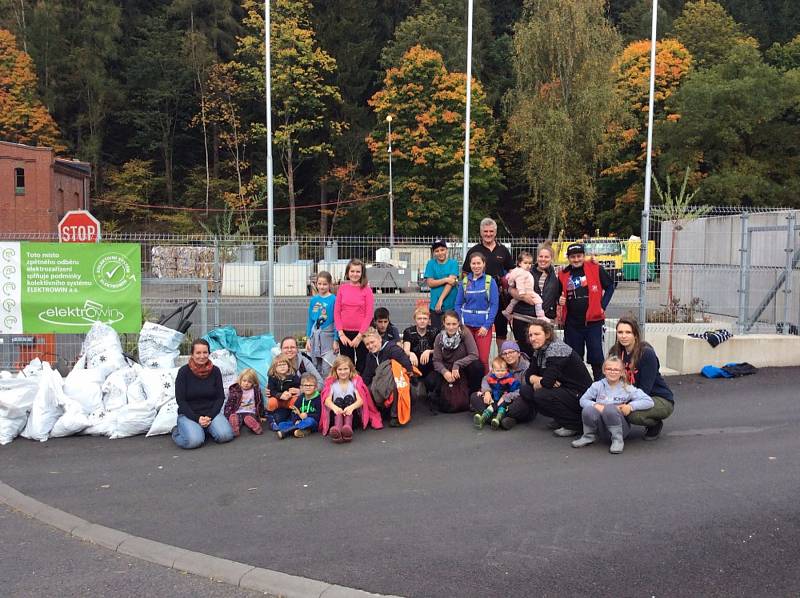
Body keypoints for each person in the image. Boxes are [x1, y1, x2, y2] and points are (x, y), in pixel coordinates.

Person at [506, 320, 593, 434]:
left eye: (537, 334)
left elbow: (547, 382)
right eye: (531, 335)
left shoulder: (556, 348)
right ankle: (561, 418)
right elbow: (528, 376)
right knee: (526, 390)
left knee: (541, 394)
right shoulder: (539, 350)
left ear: (547, 334)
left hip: (580, 394)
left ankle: (574, 425)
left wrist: (543, 381)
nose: (532, 338)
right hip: (564, 390)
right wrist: (538, 379)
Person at [608, 316, 675, 440]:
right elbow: (606, 378)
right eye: (620, 332)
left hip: (657, 398)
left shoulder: (646, 354)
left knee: (632, 414)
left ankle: (655, 424)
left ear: (636, 335)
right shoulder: (615, 352)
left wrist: (623, 404)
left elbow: (645, 390)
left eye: (628, 332)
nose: (623, 336)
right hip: (631, 395)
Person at [572, 356, 654, 454]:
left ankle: (617, 440)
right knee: (588, 409)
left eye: (616, 369)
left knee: (610, 409)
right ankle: (588, 436)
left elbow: (649, 401)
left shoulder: (627, 387)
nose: (612, 372)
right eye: (609, 369)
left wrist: (630, 406)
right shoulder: (597, 385)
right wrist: (596, 405)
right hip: (601, 429)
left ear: (622, 372)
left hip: (620, 428)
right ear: (604, 370)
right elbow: (583, 400)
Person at [558, 242, 615, 381]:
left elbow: (610, 286)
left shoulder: (595, 268)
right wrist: (559, 301)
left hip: (593, 322)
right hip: (572, 324)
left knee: (596, 357)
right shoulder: (563, 274)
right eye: (573, 257)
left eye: (579, 256)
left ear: (584, 256)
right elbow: (557, 295)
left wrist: (603, 306)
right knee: (574, 358)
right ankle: (578, 387)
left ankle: (600, 386)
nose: (576, 259)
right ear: (568, 258)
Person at [462, 218, 515, 352]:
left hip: (500, 296)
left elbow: (512, 270)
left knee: (501, 331)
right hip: (480, 298)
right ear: (481, 232)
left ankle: (501, 363)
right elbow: (465, 273)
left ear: (495, 232)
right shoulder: (474, 250)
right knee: (480, 331)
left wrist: (509, 283)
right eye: (485, 231)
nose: (488, 234)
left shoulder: (503, 250)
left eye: (491, 231)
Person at [172, 339, 234, 449]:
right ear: (192, 354)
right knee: (194, 441)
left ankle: (203, 429)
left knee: (225, 436)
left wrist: (209, 417)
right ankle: (177, 431)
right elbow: (181, 401)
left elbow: (220, 397)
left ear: (209, 353)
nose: (202, 356)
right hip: (189, 414)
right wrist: (197, 419)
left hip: (210, 413)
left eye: (205, 352)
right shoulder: (183, 372)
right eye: (198, 353)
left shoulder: (215, 371)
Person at [455, 252, 499, 373]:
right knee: (466, 357)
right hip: (467, 326)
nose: (476, 266)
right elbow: (458, 304)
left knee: (483, 359)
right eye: (473, 263)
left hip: (483, 327)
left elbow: (494, 305)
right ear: (470, 265)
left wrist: (486, 326)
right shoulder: (464, 282)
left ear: (484, 264)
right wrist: (460, 324)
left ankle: (484, 387)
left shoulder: (490, 281)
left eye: (479, 263)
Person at [431, 311, 484, 412]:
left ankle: (472, 397)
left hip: (462, 368)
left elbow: (474, 354)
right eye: (448, 324)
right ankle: (438, 397)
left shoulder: (465, 333)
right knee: (431, 380)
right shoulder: (439, 337)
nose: (451, 327)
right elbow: (436, 360)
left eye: (454, 324)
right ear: (443, 323)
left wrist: (457, 364)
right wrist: (444, 372)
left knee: (477, 366)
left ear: (459, 323)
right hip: (447, 368)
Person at [361, 327, 414, 426]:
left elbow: (407, 367)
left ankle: (396, 416)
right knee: (366, 389)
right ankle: (375, 413)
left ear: (379, 339)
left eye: (372, 342)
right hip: (381, 383)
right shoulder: (369, 356)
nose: (370, 346)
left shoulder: (392, 349)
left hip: (397, 381)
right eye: (367, 344)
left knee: (396, 385)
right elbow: (367, 376)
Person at [334, 258, 375, 374]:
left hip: (361, 334)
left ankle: (361, 388)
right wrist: (341, 334)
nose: (355, 274)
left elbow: (369, 314)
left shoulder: (367, 290)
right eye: (352, 271)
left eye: (358, 271)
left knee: (362, 363)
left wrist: (359, 336)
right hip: (344, 335)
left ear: (362, 273)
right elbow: (337, 312)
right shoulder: (342, 288)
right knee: (347, 364)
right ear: (347, 272)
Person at [469, 339, 529, 416]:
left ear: (518, 353)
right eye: (505, 353)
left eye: (511, 352)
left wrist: (507, 397)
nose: (508, 356)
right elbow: (486, 379)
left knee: (520, 404)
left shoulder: (526, 367)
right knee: (474, 396)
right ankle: (501, 418)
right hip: (496, 396)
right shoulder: (501, 364)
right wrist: (487, 392)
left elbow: (524, 390)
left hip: (514, 397)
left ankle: (490, 416)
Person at [402, 306, 440, 407]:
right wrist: (411, 353)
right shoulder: (409, 332)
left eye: (425, 318)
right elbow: (405, 350)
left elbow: (438, 349)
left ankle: (431, 392)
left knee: (432, 380)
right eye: (419, 318)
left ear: (429, 320)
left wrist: (429, 351)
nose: (422, 321)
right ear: (415, 319)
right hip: (415, 364)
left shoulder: (434, 331)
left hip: (429, 364)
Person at [321, 356, 365, 443]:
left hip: (352, 416)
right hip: (337, 414)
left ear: (351, 369)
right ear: (335, 370)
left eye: (345, 369)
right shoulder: (332, 384)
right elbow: (327, 400)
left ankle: (347, 428)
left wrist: (351, 407)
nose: (343, 372)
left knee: (348, 398)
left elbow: (361, 400)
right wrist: (335, 408)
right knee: (338, 400)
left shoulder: (354, 383)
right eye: (340, 369)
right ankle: (338, 427)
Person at [472, 356, 520, 430]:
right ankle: (482, 419)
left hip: (505, 399)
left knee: (501, 407)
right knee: (490, 407)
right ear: (493, 371)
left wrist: (507, 395)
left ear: (506, 370)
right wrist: (483, 392)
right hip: (495, 397)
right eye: (498, 371)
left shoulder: (509, 379)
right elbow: (488, 385)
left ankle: (497, 419)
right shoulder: (491, 378)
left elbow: (515, 388)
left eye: (502, 370)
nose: (500, 373)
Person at [305, 270, 338, 377]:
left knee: (327, 366)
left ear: (329, 284)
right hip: (315, 337)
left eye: (325, 284)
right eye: (319, 284)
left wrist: (336, 340)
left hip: (328, 337)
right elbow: (311, 320)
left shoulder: (334, 299)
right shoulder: (314, 300)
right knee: (316, 365)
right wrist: (308, 339)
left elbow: (337, 320)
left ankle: (327, 390)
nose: (322, 286)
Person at [424, 239, 460, 329]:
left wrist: (440, 300)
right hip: (435, 307)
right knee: (436, 333)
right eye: (437, 251)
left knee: (450, 331)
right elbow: (430, 283)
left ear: (446, 250)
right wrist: (446, 279)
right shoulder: (431, 264)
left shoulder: (453, 263)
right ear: (434, 253)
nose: (440, 253)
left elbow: (451, 283)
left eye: (442, 250)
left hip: (450, 306)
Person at [502, 251, 546, 323]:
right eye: (525, 263)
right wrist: (522, 292)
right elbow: (520, 282)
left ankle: (507, 312)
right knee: (539, 300)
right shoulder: (522, 273)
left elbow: (512, 280)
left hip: (523, 291)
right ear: (519, 263)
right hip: (527, 291)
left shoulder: (518, 271)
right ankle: (540, 316)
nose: (528, 265)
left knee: (513, 302)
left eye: (530, 263)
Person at [266, 354, 301, 437]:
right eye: (279, 365)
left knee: (296, 400)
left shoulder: (293, 375)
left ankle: (294, 416)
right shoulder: (272, 377)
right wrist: (279, 395)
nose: (282, 367)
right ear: (274, 368)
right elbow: (271, 390)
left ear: (288, 366)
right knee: (271, 402)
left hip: (289, 400)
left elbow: (298, 386)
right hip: (278, 401)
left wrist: (291, 392)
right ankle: (271, 419)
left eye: (284, 364)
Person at [278, 373, 321, 439]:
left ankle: (286, 432)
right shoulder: (300, 398)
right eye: (305, 385)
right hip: (300, 421)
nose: (308, 387)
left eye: (311, 385)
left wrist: (307, 415)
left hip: (312, 422)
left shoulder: (318, 398)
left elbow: (319, 415)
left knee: (309, 421)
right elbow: (294, 411)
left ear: (315, 387)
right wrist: (296, 420)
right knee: (281, 424)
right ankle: (303, 431)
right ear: (301, 387)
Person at [224, 368, 264, 436]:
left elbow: (260, 403)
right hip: (238, 411)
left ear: (253, 382)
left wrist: (262, 415)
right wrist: (228, 415)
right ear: (240, 380)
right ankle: (235, 429)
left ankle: (256, 427)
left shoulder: (256, 390)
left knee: (249, 419)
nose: (246, 383)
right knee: (235, 418)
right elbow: (230, 404)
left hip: (250, 412)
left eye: (249, 382)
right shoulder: (235, 390)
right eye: (244, 381)